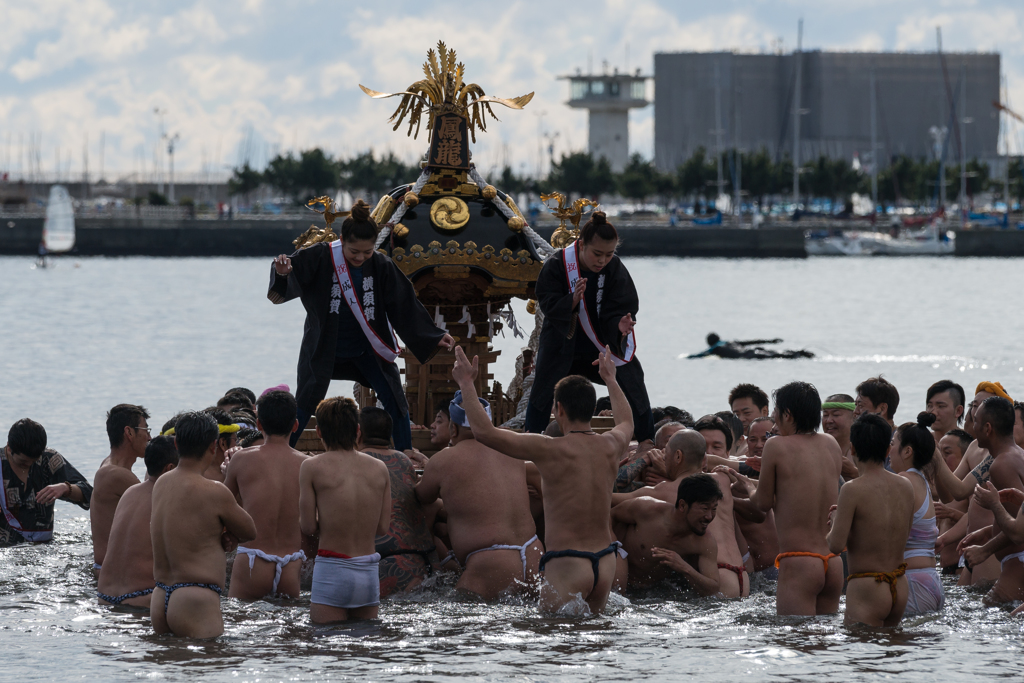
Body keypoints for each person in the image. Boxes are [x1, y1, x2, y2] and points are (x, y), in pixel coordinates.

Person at [453, 344, 632, 614]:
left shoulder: (549, 449)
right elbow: (627, 422)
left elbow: (484, 433)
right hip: (606, 562)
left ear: (558, 409)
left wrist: (466, 383)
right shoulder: (611, 444)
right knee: (597, 647)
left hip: (568, 563)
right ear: (591, 408)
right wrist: (610, 379)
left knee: (552, 644)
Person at [270, 199, 454, 452]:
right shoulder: (320, 255)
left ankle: (405, 452)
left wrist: (433, 336)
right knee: (306, 399)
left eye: (367, 252)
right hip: (325, 344)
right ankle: (282, 452)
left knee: (394, 398)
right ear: (342, 240)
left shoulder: (380, 265)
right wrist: (282, 273)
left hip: (367, 347)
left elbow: (404, 303)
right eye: (354, 251)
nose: (360, 257)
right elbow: (288, 275)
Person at [524, 211, 655, 450]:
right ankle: (532, 439)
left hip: (601, 346)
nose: (602, 260)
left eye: (609, 254)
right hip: (563, 342)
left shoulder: (614, 267)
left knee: (632, 376)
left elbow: (622, 303)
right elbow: (547, 301)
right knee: (544, 387)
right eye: (597, 254)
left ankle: (647, 439)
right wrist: (571, 301)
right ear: (582, 245)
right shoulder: (558, 264)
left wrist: (621, 324)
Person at [416, 392, 543, 600]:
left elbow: (421, 498)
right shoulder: (513, 449)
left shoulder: (444, 460)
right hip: (534, 555)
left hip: (491, 564)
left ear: (453, 429)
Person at [739, 382, 844, 615]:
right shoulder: (831, 444)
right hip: (833, 562)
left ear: (787, 414)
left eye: (776, 411)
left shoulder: (776, 445)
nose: (774, 416)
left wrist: (745, 488)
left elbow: (762, 503)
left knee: (794, 639)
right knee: (826, 645)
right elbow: (801, 489)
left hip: (800, 561)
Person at [150, 412, 257, 638]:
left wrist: (218, 532)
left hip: (160, 597)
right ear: (212, 446)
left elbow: (188, 529)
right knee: (211, 666)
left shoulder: (161, 483)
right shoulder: (214, 491)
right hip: (195, 599)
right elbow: (249, 530)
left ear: (176, 443)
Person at [299, 397, 391, 623]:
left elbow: (308, 527)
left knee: (327, 648)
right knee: (366, 649)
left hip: (332, 569)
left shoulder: (311, 467)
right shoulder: (380, 469)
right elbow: (382, 528)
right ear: (358, 431)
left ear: (319, 432)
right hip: (368, 571)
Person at [827, 413, 914, 627]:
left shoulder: (852, 489)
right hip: (899, 585)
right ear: (887, 450)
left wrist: (835, 521)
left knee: (860, 656)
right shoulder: (905, 486)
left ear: (853, 449)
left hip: (868, 587)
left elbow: (836, 545)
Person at [224, 390, 310, 600]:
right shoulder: (307, 465)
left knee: (242, 627)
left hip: (253, 560)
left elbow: (223, 506)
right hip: (291, 561)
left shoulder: (242, 459)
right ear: (295, 425)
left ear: (259, 425)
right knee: (289, 630)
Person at [357, 407, 440, 597]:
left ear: (358, 432)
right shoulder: (404, 461)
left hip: (383, 566)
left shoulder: (355, 463)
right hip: (425, 564)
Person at [955, 397, 1024, 607]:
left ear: (987, 428)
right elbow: (1018, 516)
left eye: (975, 421)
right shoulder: (1017, 454)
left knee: (991, 611)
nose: (972, 427)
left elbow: (1019, 532)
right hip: (1015, 560)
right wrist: (987, 531)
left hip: (1018, 562)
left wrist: (985, 549)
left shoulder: (1001, 464)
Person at [97, 436, 178, 608]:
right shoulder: (167, 499)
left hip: (104, 597)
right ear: (169, 469)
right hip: (141, 598)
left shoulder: (129, 493)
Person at [612, 474, 722, 594]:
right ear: (682, 505)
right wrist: (614, 547)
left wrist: (684, 568)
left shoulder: (704, 542)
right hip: (618, 582)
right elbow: (609, 516)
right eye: (705, 509)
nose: (709, 516)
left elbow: (714, 589)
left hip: (650, 593)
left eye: (714, 509)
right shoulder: (648, 509)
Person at [887, 412, 945, 614]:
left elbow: (885, 530)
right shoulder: (922, 481)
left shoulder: (903, 481)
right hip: (931, 580)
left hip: (913, 582)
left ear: (907, 451)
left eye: (893, 444)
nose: (889, 451)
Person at [1, 419, 92, 546]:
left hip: (43, 548)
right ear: (9, 447)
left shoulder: (48, 459)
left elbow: (90, 495)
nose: (28, 466)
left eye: (33, 461)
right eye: (22, 462)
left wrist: (66, 488)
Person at [90, 404, 151, 571]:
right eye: (146, 430)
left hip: (105, 567)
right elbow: (160, 510)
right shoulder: (116, 474)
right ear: (129, 433)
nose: (149, 437)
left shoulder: (109, 464)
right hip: (113, 572)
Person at [687, 333, 813, 360]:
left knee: (776, 356)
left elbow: (700, 355)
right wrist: (771, 341)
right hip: (753, 350)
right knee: (775, 353)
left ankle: (798, 354)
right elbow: (752, 341)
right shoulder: (730, 341)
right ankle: (799, 352)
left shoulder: (715, 348)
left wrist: (688, 356)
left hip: (747, 355)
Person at [821, 394, 858, 480]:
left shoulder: (865, 449)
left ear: (854, 417)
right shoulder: (815, 449)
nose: (829, 420)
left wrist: (854, 473)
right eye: (825, 415)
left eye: (836, 415)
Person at [729, 383, 770, 456]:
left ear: (764, 411)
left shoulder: (780, 441)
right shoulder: (738, 446)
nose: (741, 419)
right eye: (736, 415)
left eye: (747, 413)